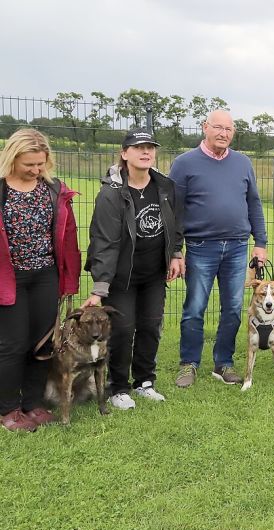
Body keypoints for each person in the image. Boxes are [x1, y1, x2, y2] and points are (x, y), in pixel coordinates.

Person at [80, 129, 184, 409]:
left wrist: (175, 253)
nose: (146, 151)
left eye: (150, 147)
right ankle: (118, 388)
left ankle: (144, 382)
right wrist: (101, 287)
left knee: (150, 326)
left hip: (153, 273)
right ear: (125, 154)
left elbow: (175, 224)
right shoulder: (111, 194)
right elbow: (104, 241)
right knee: (123, 330)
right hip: (121, 277)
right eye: (138, 147)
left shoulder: (165, 186)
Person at [170, 110, 267, 388]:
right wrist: (176, 251)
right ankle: (189, 363)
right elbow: (174, 211)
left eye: (229, 129)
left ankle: (224, 362)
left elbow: (254, 204)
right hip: (201, 247)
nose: (224, 133)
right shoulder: (184, 163)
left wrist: (260, 242)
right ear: (205, 128)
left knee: (233, 309)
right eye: (218, 128)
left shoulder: (242, 163)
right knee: (195, 308)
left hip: (237, 247)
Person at [0, 129, 80, 431]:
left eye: (40, 164)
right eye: (29, 164)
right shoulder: (2, 189)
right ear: (12, 157)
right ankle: (8, 409)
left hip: (45, 275)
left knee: (42, 343)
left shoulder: (53, 189)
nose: (36, 170)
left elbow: (68, 235)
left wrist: (69, 278)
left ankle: (33, 404)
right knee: (13, 344)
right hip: (9, 278)